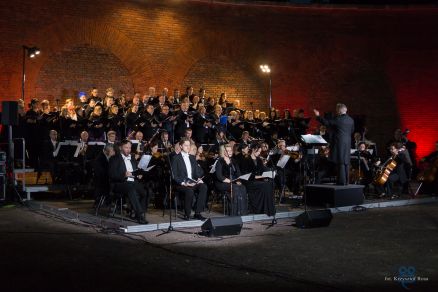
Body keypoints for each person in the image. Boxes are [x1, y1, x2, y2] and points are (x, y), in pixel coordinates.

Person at [108, 139, 149, 224]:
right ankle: (139, 215)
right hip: (119, 184)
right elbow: (112, 175)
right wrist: (124, 175)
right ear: (120, 148)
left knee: (145, 191)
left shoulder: (132, 158)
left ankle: (136, 212)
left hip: (132, 182)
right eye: (126, 147)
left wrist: (138, 175)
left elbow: (135, 171)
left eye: (130, 148)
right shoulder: (114, 159)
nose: (128, 149)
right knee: (130, 188)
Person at [314, 103, 354, 185]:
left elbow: (327, 123)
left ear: (339, 110)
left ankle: (341, 182)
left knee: (340, 162)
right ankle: (346, 182)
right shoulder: (351, 120)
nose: (336, 111)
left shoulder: (338, 119)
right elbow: (352, 131)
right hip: (348, 143)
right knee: (346, 162)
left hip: (339, 143)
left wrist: (318, 116)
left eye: (336, 110)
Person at [171, 137, 207, 221]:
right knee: (189, 191)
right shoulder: (176, 158)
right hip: (181, 183)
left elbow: (196, 173)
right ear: (180, 146)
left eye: (189, 145)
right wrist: (184, 183)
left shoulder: (192, 157)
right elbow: (174, 175)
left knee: (203, 186)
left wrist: (198, 178)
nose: (188, 147)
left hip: (192, 181)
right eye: (185, 145)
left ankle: (197, 213)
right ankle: (187, 214)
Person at [239, 143, 275, 216]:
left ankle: (267, 209)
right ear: (253, 150)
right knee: (266, 185)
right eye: (258, 151)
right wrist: (259, 177)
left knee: (270, 183)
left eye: (260, 152)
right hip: (249, 181)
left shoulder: (258, 159)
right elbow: (245, 174)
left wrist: (270, 173)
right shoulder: (246, 159)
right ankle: (262, 209)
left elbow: (263, 169)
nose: (259, 153)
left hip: (258, 180)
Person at [214, 144, 248, 216]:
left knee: (242, 187)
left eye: (231, 150)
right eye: (228, 150)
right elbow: (219, 176)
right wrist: (229, 180)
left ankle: (241, 211)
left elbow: (238, 173)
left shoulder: (234, 161)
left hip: (233, 181)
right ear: (224, 152)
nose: (230, 152)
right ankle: (234, 211)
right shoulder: (220, 161)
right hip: (222, 182)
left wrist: (238, 180)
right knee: (235, 188)